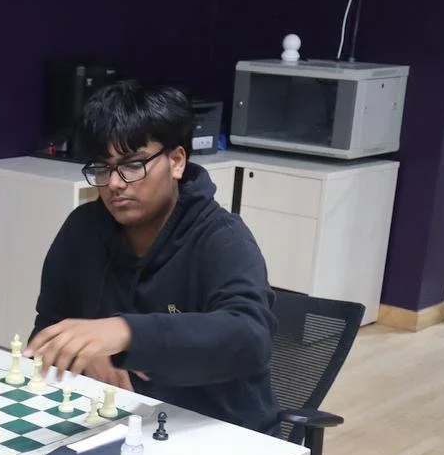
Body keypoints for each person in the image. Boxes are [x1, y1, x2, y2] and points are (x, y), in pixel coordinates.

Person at [28, 80, 279, 432]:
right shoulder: (82, 229)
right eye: (102, 167)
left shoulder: (222, 238)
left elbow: (250, 337)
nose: (114, 184)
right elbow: (48, 332)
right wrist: (83, 356)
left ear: (176, 161)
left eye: (133, 165)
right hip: (115, 422)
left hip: (217, 431)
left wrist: (126, 333)